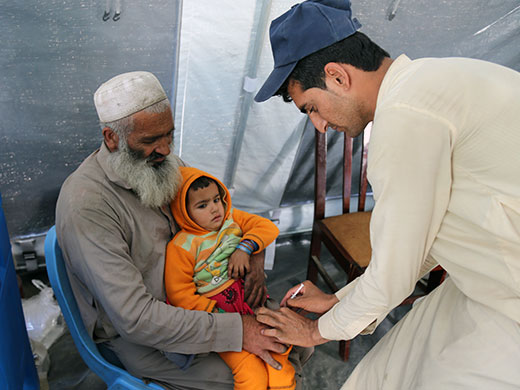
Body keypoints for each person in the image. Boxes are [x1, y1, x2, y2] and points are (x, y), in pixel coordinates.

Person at [253, 0, 520, 389]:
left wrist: (314, 333)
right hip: (486, 278)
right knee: (386, 371)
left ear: (337, 76)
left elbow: (393, 274)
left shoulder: (406, 117)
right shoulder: (434, 79)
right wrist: (338, 300)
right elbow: (422, 241)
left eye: (311, 107)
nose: (320, 125)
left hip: (506, 296)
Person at [55, 71, 308, 389]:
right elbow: (134, 318)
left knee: (298, 341)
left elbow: (220, 221)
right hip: (144, 334)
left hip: (208, 295)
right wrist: (239, 330)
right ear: (111, 138)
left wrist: (252, 253)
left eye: (168, 136)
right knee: (249, 375)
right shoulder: (87, 204)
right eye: (149, 141)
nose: (165, 150)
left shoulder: (163, 164)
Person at [164, 166, 295, 390]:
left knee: (279, 355)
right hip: (218, 315)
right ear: (183, 211)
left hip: (249, 302)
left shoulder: (231, 218)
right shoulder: (182, 246)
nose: (215, 209)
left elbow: (267, 227)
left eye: (217, 199)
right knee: (249, 371)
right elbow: (179, 294)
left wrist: (244, 249)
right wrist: (218, 317)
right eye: (202, 205)